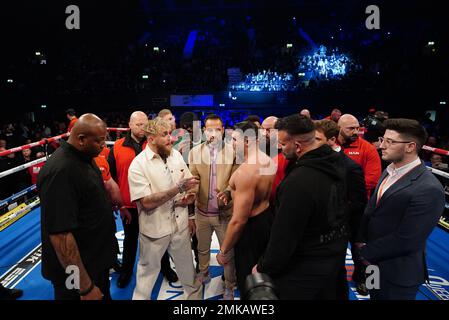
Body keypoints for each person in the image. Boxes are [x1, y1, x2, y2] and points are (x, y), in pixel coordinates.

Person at [254, 115, 348, 300]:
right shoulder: (338, 163)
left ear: (297, 146)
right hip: (333, 258)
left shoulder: (298, 182)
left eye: (282, 143)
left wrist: (263, 267)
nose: (279, 147)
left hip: (303, 270)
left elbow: (285, 236)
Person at [357, 119, 445, 300]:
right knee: (374, 296)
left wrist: (365, 251)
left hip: (398, 272)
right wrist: (360, 240)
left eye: (390, 141)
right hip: (373, 264)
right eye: (383, 139)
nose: (382, 145)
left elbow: (408, 238)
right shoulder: (390, 170)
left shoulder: (429, 188)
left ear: (410, 147)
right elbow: (373, 210)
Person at [38, 114, 118, 300]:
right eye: (99, 141)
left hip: (95, 261)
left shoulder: (84, 156)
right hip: (77, 273)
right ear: (81, 139)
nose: (104, 145)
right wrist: (84, 287)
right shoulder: (60, 171)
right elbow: (60, 235)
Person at [128, 117, 202, 300]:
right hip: (154, 230)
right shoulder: (138, 165)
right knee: (145, 281)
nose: (171, 138)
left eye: (170, 133)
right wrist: (179, 189)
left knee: (189, 276)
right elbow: (145, 202)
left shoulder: (175, 155)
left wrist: (190, 197)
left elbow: (191, 183)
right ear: (151, 138)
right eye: (165, 134)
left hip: (180, 227)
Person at [108, 111, 178, 288]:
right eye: (138, 124)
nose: (142, 128)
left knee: (160, 238)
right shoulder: (117, 147)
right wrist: (119, 204)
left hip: (154, 202)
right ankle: (126, 272)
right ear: (130, 125)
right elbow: (111, 177)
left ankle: (165, 268)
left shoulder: (156, 143)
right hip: (130, 205)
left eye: (145, 124)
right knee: (130, 240)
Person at [216, 121, 275, 298]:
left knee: (248, 281)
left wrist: (223, 250)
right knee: (261, 279)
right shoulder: (267, 160)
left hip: (250, 229)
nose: (231, 144)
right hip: (265, 219)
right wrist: (229, 191)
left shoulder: (246, 172)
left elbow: (239, 220)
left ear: (247, 141)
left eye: (234, 140)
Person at [314, 120, 368, 298]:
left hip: (342, 227)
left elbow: (358, 201)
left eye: (316, 139)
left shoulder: (350, 167)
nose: (311, 143)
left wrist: (333, 216)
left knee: (339, 269)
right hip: (320, 230)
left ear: (331, 140)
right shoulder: (316, 161)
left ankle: (360, 280)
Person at [188, 114, 238, 300]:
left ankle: (230, 285)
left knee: (227, 252)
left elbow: (235, 179)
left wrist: (226, 192)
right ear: (203, 131)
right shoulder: (194, 153)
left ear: (223, 130)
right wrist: (190, 194)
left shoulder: (233, 152)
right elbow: (194, 179)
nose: (213, 133)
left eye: (217, 129)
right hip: (202, 211)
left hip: (225, 213)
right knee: (202, 248)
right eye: (209, 129)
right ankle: (204, 272)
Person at [338, 114, 381, 198]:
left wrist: (342, 188)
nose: (356, 132)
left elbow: (373, 180)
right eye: (351, 128)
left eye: (357, 128)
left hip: (356, 200)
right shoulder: (330, 144)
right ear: (339, 128)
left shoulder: (369, 149)